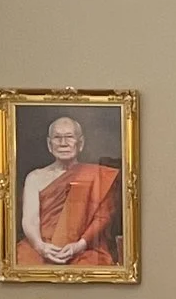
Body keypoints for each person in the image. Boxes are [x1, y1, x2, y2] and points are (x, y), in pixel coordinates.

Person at [16, 114, 121, 267]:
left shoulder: (98, 176)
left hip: (84, 247)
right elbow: (30, 219)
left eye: (69, 137)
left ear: (81, 143)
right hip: (41, 246)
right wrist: (40, 246)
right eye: (57, 138)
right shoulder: (35, 177)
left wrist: (79, 246)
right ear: (49, 144)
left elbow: (102, 218)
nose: (63, 143)